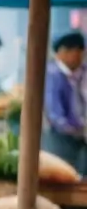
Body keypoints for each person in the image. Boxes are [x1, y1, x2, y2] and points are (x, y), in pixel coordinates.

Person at [43, 31, 87, 174]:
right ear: (62, 52)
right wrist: (80, 130)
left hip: (80, 139)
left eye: (81, 51)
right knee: (66, 176)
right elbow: (55, 115)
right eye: (76, 52)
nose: (80, 56)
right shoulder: (53, 76)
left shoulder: (82, 73)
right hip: (61, 140)